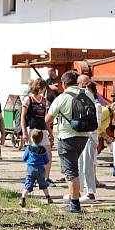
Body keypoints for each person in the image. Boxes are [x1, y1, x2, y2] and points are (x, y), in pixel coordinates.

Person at [45, 71, 91, 213]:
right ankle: (74, 199)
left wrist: (51, 133)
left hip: (67, 138)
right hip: (84, 136)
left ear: (64, 84)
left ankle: (74, 204)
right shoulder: (87, 94)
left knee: (71, 171)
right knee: (73, 168)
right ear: (77, 82)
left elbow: (48, 119)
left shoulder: (62, 98)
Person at [20, 78, 54, 182]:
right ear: (40, 87)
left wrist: (50, 132)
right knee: (33, 155)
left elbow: (45, 118)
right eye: (44, 88)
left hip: (42, 130)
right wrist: (24, 132)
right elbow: (23, 116)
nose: (44, 90)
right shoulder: (28, 99)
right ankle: (31, 176)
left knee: (48, 154)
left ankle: (46, 178)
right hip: (32, 130)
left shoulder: (44, 100)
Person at [75, 76, 102, 203]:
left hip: (90, 136)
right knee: (80, 163)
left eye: (86, 87)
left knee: (88, 164)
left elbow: (96, 124)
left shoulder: (96, 106)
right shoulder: (85, 103)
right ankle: (78, 190)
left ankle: (90, 192)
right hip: (82, 136)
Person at [19, 129, 52, 207]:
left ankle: (23, 199)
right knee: (43, 184)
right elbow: (46, 161)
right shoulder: (43, 150)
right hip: (40, 170)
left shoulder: (29, 148)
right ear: (41, 139)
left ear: (32, 138)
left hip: (31, 169)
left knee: (28, 184)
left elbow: (24, 158)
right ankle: (48, 198)